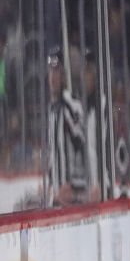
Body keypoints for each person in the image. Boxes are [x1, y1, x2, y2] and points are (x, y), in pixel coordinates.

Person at [44, 46, 87, 208]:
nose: (53, 76)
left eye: (57, 71)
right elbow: (52, 152)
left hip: (72, 196)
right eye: (51, 71)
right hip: (56, 195)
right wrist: (50, 184)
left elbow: (83, 147)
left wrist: (75, 186)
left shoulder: (72, 106)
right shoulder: (52, 109)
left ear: (64, 75)